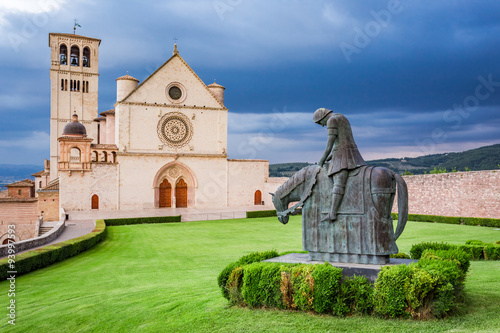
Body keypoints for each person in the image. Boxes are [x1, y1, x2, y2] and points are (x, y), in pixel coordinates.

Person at [313, 108, 366, 222]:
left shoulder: (331, 120)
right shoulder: (341, 117)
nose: (322, 125)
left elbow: (329, 145)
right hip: (351, 153)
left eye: (320, 123)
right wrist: (329, 158)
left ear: (323, 117)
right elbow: (342, 143)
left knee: (338, 183)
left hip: (344, 156)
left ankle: (332, 213)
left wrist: (321, 161)